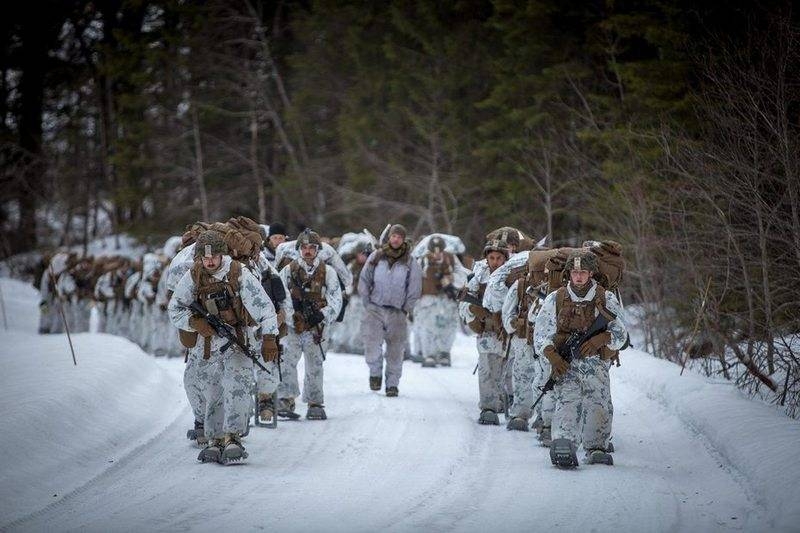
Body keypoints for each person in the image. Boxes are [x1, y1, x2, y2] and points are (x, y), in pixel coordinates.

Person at [169, 230, 280, 464]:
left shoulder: (238, 274)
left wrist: (270, 337)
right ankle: (214, 438)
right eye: (205, 258)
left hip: (237, 339)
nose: (210, 261)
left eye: (214, 257)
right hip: (207, 344)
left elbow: (265, 308)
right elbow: (174, 308)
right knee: (212, 391)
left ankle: (233, 436)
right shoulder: (193, 276)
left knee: (237, 387)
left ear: (222, 255)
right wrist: (193, 322)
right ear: (199, 257)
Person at [533, 250, 627, 468]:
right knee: (567, 401)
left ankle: (597, 447)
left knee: (599, 402)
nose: (578, 277)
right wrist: (552, 356)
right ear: (569, 273)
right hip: (567, 364)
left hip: (596, 365)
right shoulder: (555, 298)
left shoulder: (606, 298)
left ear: (591, 273)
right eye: (574, 272)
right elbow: (541, 334)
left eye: (583, 272)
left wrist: (602, 339)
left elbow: (622, 335)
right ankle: (564, 443)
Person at [278, 229, 342, 420]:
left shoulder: (328, 272)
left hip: (317, 327)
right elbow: (281, 297)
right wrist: (293, 316)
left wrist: (322, 315)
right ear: (299, 249)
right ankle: (286, 399)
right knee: (287, 361)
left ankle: (315, 402)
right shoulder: (288, 271)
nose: (307, 251)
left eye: (311, 248)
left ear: (317, 250)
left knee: (315, 364)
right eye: (304, 247)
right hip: (292, 327)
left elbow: (336, 299)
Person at [358, 224, 422, 396]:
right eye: (394, 236)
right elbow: (365, 279)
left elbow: (414, 287)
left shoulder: (410, 261)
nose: (396, 239)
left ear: (403, 240)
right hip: (375, 309)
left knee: (395, 350)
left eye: (399, 237)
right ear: (389, 237)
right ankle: (375, 374)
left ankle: (392, 384)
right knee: (372, 346)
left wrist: (406, 308)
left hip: (397, 312)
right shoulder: (377, 256)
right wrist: (367, 302)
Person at [458, 239, 510, 425]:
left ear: (505, 259)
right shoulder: (477, 277)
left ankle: (510, 404)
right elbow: (465, 304)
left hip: (511, 332)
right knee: (487, 369)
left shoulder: (514, 276)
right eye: (492, 257)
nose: (495, 261)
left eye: (499, 258)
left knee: (511, 372)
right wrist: (474, 315)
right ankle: (488, 408)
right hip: (488, 332)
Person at [415, 236, 460, 367]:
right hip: (428, 299)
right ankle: (429, 354)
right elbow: (415, 280)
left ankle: (444, 353)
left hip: (447, 299)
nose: (437, 253)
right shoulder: (423, 260)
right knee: (428, 327)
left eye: (439, 250)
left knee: (448, 326)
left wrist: (451, 278)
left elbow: (462, 274)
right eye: (434, 251)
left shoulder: (451, 258)